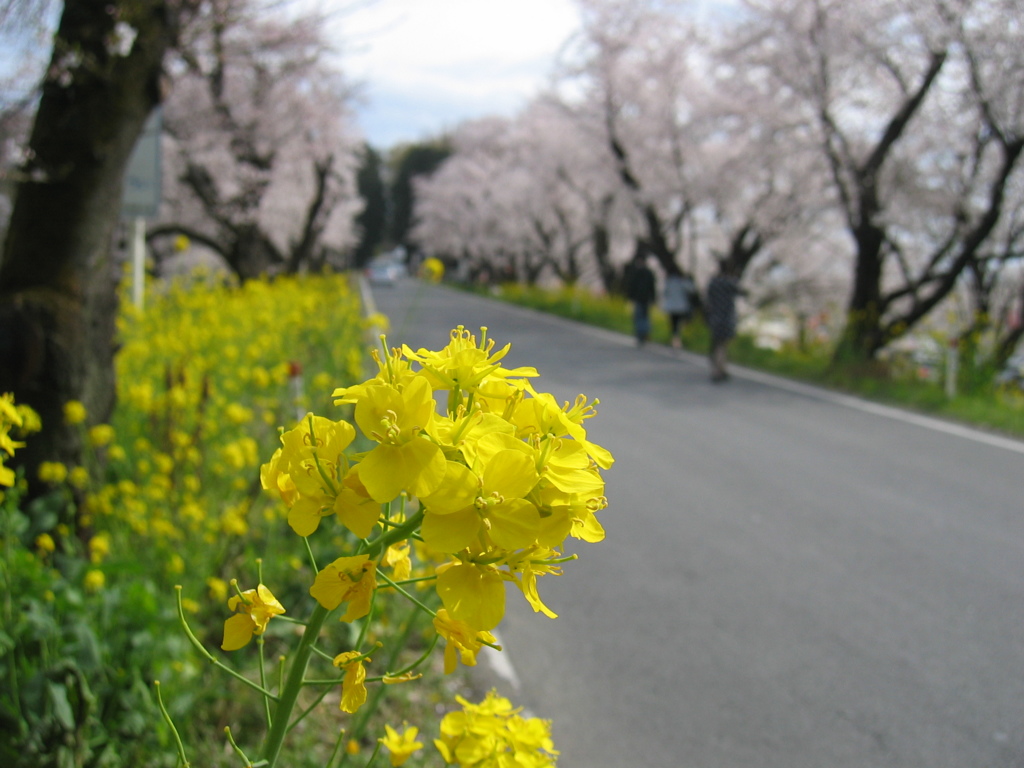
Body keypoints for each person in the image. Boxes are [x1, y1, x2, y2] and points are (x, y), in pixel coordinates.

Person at [705, 260, 745, 382]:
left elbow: (707, 299)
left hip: (715, 316)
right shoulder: (730, 282)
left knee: (717, 344)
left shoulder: (713, 282)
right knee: (722, 345)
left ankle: (719, 368)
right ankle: (719, 370)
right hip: (727, 317)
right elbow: (742, 292)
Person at [623, 248, 657, 346]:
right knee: (643, 317)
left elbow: (632, 286)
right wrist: (653, 298)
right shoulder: (648, 273)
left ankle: (641, 334)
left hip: (640, 298)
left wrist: (630, 296)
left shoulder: (637, 272)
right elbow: (652, 287)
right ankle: (643, 334)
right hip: (644, 298)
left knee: (639, 317)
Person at [662, 271, 697, 349]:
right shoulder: (683, 282)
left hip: (671, 306)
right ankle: (677, 340)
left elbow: (665, 292)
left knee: (673, 323)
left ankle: (674, 339)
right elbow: (691, 290)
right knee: (679, 323)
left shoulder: (670, 282)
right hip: (681, 306)